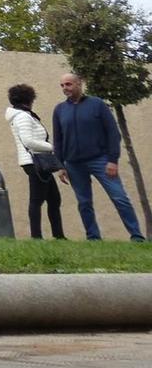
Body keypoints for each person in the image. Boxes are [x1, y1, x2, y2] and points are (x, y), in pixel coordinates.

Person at [52, 72, 146, 242]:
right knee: (84, 203)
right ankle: (93, 237)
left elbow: (113, 133)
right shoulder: (60, 110)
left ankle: (137, 236)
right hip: (73, 164)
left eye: (69, 84)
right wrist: (60, 165)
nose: (65, 88)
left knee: (119, 197)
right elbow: (58, 139)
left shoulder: (97, 104)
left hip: (101, 161)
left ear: (79, 84)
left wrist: (112, 160)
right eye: (62, 85)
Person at [4, 84, 65, 240]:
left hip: (36, 161)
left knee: (53, 199)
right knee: (37, 200)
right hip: (35, 161)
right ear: (30, 99)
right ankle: (37, 236)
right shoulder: (23, 116)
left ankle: (58, 235)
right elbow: (29, 141)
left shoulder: (23, 115)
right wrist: (53, 147)